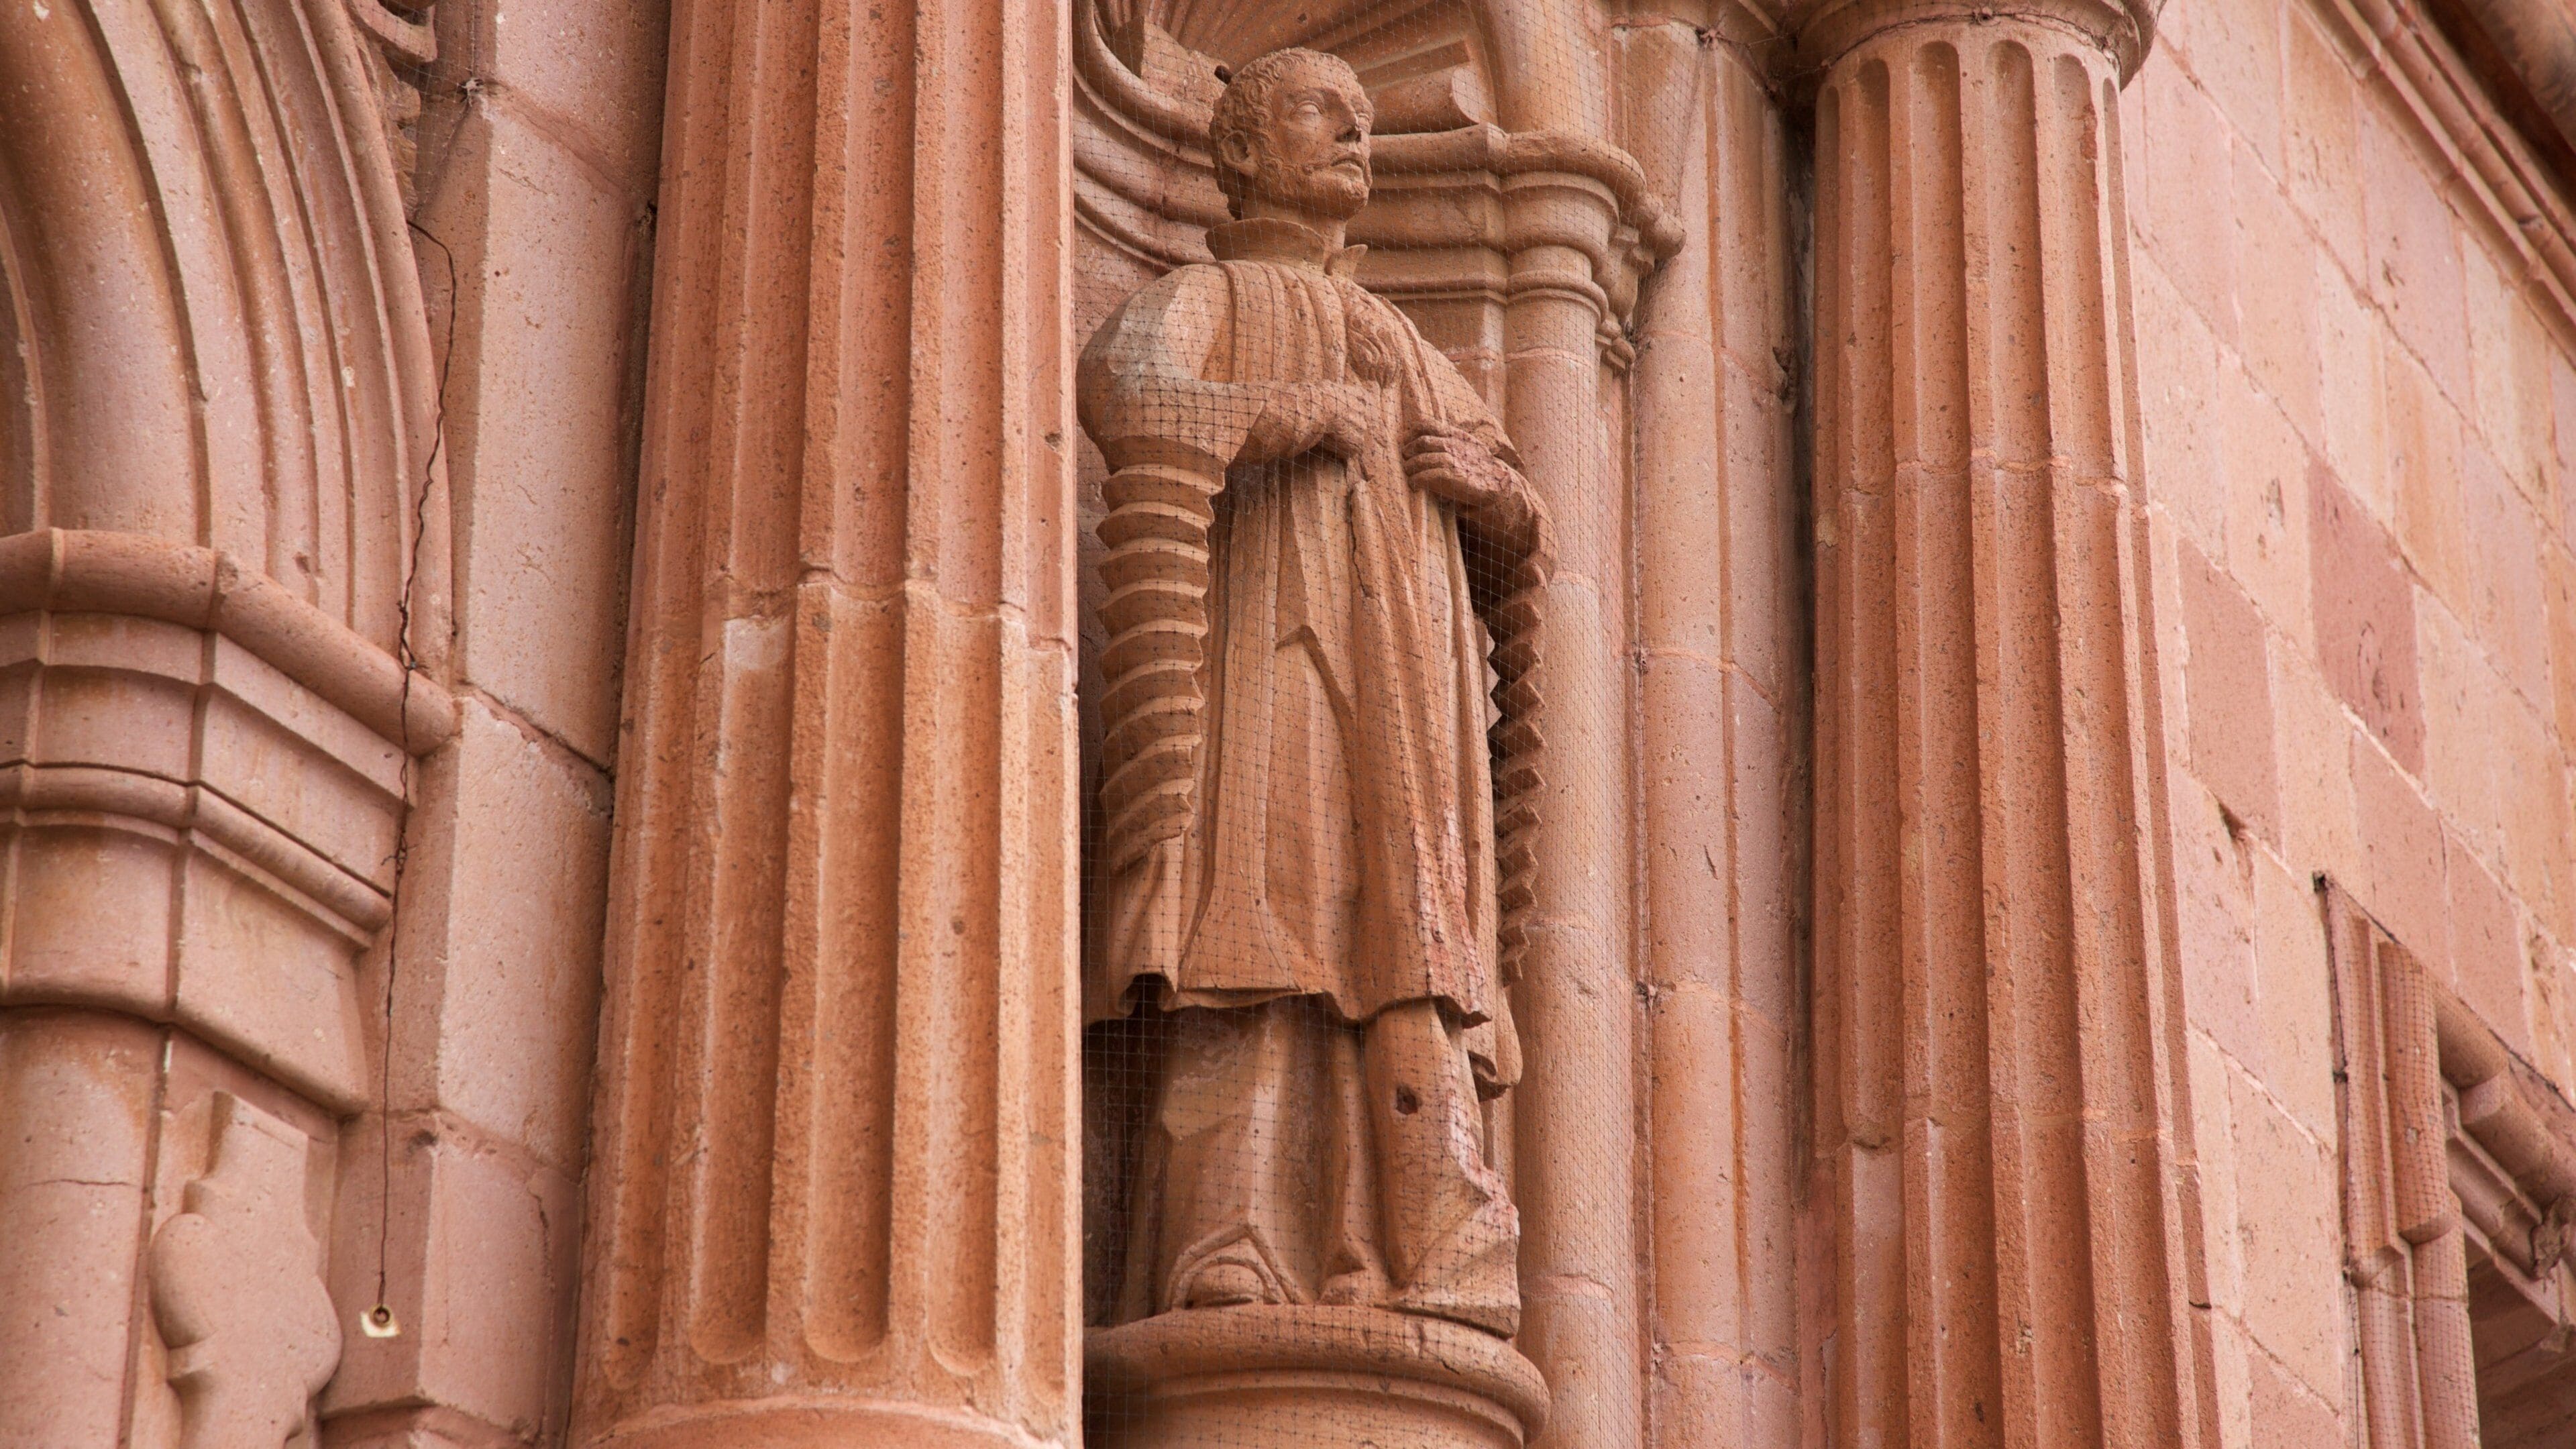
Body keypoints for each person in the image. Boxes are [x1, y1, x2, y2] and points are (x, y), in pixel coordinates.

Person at [1077, 46, 1552, 1338]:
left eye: (1362, 116)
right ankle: (1226, 1240)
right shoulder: (1214, 294)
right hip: (1273, 660)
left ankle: (1426, 1251)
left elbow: (1519, 511)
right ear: (1236, 151)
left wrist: (1492, 489)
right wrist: (1282, 414)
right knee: (1261, 933)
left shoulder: (1405, 337)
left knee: (1407, 950)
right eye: (1315, 110)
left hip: (1409, 700)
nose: (1353, 131)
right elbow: (1128, 384)